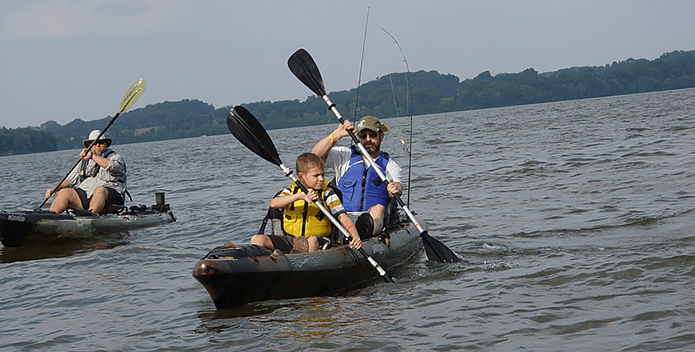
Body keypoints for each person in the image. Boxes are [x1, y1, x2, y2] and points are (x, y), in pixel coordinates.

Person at [250, 152, 362, 254]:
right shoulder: (290, 192)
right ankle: (265, 261)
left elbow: (343, 217)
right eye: (316, 175)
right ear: (300, 176)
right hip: (292, 240)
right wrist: (300, 196)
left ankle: (302, 263)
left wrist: (355, 236)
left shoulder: (327, 193)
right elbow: (274, 203)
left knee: (311, 240)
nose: (321, 179)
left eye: (322, 174)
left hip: (319, 241)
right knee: (257, 239)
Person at [311, 115, 403, 237]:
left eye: (373, 135)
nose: (368, 139)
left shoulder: (390, 165)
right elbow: (313, 157)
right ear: (357, 137)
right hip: (343, 216)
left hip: (370, 219)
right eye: (363, 136)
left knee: (379, 209)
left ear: (381, 136)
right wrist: (335, 136)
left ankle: (364, 235)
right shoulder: (344, 155)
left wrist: (395, 188)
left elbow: (398, 185)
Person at [45, 130, 127, 216]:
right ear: (89, 146)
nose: (97, 145)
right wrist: (54, 188)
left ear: (106, 144)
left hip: (110, 197)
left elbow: (111, 166)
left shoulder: (115, 158)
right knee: (64, 192)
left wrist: (92, 156)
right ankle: (51, 217)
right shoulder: (84, 161)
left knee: (100, 190)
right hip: (86, 194)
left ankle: (89, 216)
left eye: (101, 142)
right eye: (94, 143)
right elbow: (69, 180)